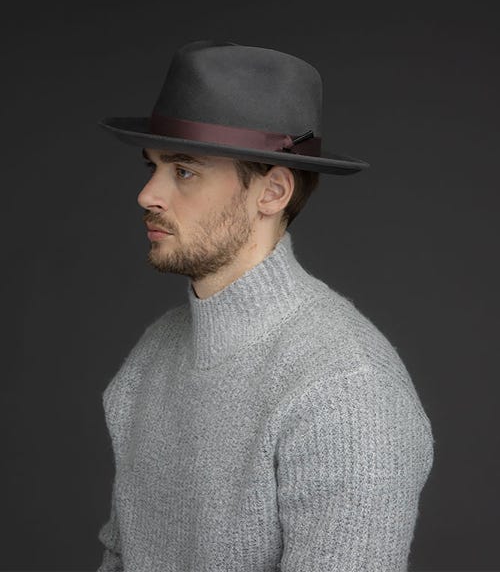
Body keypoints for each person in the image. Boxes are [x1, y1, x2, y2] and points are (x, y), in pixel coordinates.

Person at [95, 39, 434, 571]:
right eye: (153, 166)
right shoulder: (153, 355)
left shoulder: (345, 389)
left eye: (183, 170)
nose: (147, 194)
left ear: (273, 192)